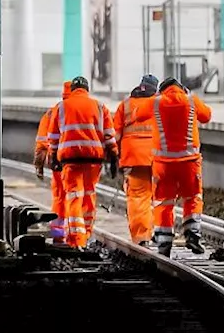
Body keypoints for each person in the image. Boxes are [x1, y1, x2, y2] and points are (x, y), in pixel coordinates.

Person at [46, 77, 118, 249]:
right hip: (94, 160)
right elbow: (109, 135)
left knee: (73, 197)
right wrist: (114, 155)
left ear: (72, 90)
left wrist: (53, 156)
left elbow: (54, 136)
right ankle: (86, 233)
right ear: (87, 89)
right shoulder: (100, 106)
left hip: (71, 160)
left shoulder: (62, 107)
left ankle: (76, 239)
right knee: (89, 195)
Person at [151, 76, 212, 256]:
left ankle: (164, 243)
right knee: (192, 197)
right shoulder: (191, 100)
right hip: (189, 163)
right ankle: (192, 235)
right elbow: (207, 116)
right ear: (181, 88)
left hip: (163, 165)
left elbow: (137, 116)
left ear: (162, 90)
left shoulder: (155, 103)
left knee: (163, 203)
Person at [114, 74, 161, 246]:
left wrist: (114, 157)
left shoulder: (125, 105)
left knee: (138, 197)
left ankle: (142, 237)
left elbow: (115, 135)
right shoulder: (160, 103)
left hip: (133, 158)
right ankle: (161, 234)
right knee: (161, 197)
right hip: (159, 157)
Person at [34, 82, 73, 244]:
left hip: (57, 162)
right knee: (78, 196)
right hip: (78, 161)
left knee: (59, 196)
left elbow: (42, 141)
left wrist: (39, 164)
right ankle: (77, 234)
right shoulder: (86, 109)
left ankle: (58, 234)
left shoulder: (51, 113)